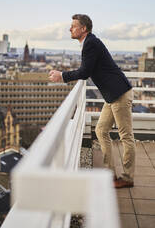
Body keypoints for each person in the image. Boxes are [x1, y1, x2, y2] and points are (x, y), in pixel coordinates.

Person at [49, 14, 135, 188]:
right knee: (101, 130)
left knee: (126, 137)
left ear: (84, 29)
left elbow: (84, 72)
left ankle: (127, 178)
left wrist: (62, 75)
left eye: (73, 26)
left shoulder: (91, 43)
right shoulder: (89, 43)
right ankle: (110, 173)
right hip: (112, 95)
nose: (70, 29)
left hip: (119, 94)